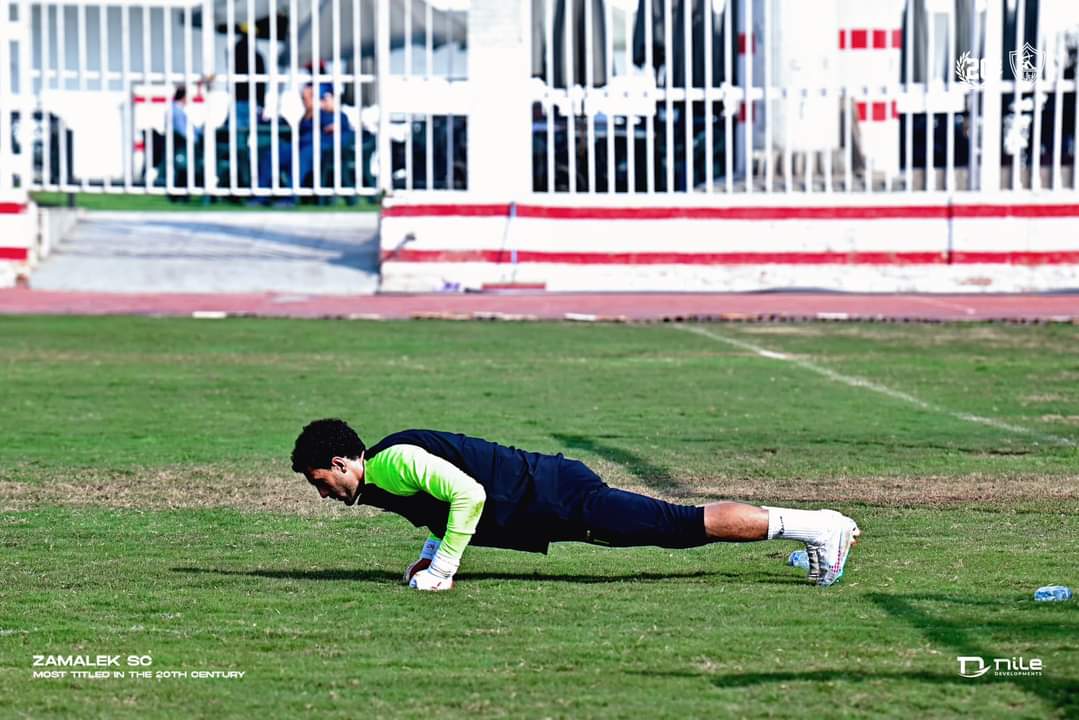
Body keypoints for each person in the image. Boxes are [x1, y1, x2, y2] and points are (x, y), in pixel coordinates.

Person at [291, 419, 861, 592]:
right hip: (549, 499)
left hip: (559, 496)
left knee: (678, 526)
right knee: (673, 527)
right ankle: (820, 528)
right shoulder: (381, 477)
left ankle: (817, 527)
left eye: (320, 481)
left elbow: (469, 494)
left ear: (341, 462)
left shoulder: (390, 464)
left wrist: (442, 569)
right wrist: (431, 549)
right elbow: (442, 505)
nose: (322, 493)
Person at [253, 82, 354, 202]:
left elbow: (340, 133)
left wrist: (327, 109)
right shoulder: (308, 116)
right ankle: (262, 194)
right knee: (274, 153)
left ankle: (290, 197)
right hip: (301, 147)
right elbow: (301, 131)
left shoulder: (337, 116)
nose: (305, 101)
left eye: (309, 97)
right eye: (304, 98)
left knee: (303, 156)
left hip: (321, 151)